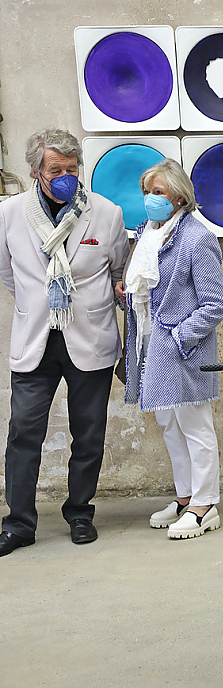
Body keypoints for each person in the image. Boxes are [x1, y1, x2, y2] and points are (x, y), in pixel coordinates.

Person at [0, 128, 128, 556]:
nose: (65, 177)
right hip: (35, 338)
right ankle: (19, 523)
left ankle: (79, 512)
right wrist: (41, 304)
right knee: (23, 433)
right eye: (56, 170)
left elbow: (117, 271)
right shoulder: (10, 213)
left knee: (88, 434)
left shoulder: (105, 213)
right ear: (35, 171)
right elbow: (7, 272)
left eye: (72, 169)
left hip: (89, 339)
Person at [117, 158, 223, 540]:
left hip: (183, 350)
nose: (150, 199)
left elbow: (215, 305)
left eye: (158, 193)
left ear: (179, 197)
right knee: (169, 426)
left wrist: (180, 337)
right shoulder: (147, 233)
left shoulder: (198, 237)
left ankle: (205, 504)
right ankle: (184, 498)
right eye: (147, 192)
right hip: (150, 345)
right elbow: (146, 288)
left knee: (195, 426)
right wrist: (127, 295)